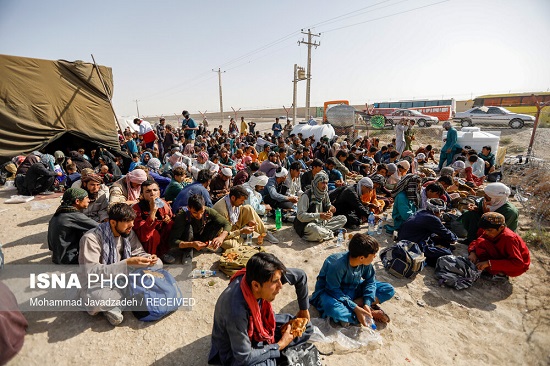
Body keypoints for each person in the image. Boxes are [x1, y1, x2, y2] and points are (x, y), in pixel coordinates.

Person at [208, 252, 312, 365]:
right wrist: (280, 345)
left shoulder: (268, 276)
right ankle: (272, 352)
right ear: (256, 286)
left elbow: (300, 276)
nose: (280, 286)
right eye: (275, 282)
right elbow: (244, 357)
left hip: (260, 323)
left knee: (306, 327)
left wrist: (304, 310)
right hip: (235, 349)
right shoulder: (236, 310)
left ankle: (270, 350)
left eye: (280, 279)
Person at [79, 203, 160, 325]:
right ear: (113, 222)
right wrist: (126, 263)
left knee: (158, 264)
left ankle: (118, 303)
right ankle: (125, 298)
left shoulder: (128, 232)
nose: (132, 225)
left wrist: (148, 258)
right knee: (98, 301)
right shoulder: (91, 238)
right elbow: (92, 272)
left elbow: (138, 251)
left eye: (132, 221)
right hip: (99, 282)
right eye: (127, 222)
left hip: (124, 277)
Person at [310, 233, 394, 327]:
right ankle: (364, 314)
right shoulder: (336, 264)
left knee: (388, 289)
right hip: (330, 293)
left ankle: (362, 309)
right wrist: (355, 308)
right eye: (373, 254)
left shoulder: (364, 263)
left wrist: (367, 302)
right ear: (361, 257)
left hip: (352, 289)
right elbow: (333, 290)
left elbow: (370, 281)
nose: (375, 257)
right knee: (334, 310)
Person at [167, 194, 231, 260]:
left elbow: (227, 224)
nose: (199, 216)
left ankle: (206, 245)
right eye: (195, 213)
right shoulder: (182, 216)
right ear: (189, 208)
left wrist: (221, 237)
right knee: (188, 228)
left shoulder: (207, 211)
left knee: (217, 222)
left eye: (201, 212)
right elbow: (172, 242)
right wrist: (191, 244)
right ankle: (188, 252)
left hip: (200, 235)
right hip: (187, 240)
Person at [468, 212, 530, 279]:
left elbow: (518, 264)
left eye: (489, 230)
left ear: (501, 227)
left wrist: (489, 263)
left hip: (517, 267)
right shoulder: (490, 231)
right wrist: (472, 252)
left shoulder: (509, 238)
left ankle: (500, 274)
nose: (486, 232)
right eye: (485, 230)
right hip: (501, 256)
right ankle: (491, 268)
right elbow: (478, 241)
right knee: (481, 242)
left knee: (483, 247)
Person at [213, 186, 278, 248]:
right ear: (233, 198)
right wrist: (241, 231)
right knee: (231, 245)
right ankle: (238, 238)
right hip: (220, 233)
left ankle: (265, 233)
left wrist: (248, 222)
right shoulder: (222, 210)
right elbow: (221, 235)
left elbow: (236, 214)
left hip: (232, 226)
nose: (242, 202)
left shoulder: (233, 201)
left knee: (248, 208)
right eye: (241, 200)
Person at [47, 188, 98, 264]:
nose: (89, 200)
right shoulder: (73, 216)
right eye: (86, 198)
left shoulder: (62, 210)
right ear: (77, 201)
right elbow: (100, 227)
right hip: (69, 259)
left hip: (58, 257)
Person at [294, 171, 347, 242]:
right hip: (308, 223)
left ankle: (324, 232)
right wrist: (319, 215)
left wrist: (331, 210)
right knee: (315, 231)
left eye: (326, 183)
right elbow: (300, 216)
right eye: (322, 183)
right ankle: (333, 233)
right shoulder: (306, 196)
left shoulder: (324, 193)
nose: (325, 185)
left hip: (322, 221)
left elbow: (328, 206)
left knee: (343, 219)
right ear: (316, 183)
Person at [132, 180, 174, 257]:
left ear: (159, 192)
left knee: (170, 225)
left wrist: (167, 218)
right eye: (148, 191)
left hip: (161, 235)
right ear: (142, 195)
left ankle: (163, 252)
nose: (152, 193)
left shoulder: (162, 203)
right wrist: (153, 211)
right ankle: (151, 256)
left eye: (155, 190)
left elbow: (169, 215)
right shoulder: (136, 208)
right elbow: (143, 234)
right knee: (153, 235)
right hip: (145, 240)